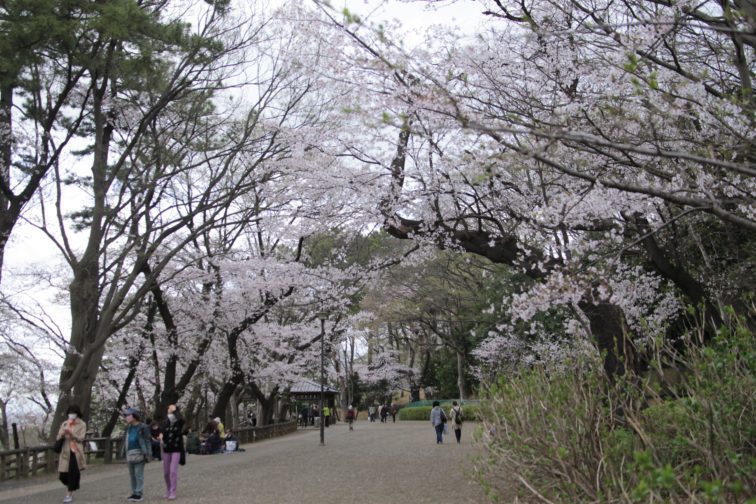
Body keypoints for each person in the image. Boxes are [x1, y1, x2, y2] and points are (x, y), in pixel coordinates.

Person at [56, 404, 87, 504]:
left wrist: (72, 434)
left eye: (73, 413)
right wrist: (63, 433)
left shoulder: (82, 424)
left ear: (77, 414)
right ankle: (72, 485)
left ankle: (69, 494)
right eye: (70, 413)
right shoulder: (65, 423)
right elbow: (58, 437)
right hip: (65, 451)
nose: (71, 415)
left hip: (75, 451)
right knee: (62, 475)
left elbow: (81, 438)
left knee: (72, 473)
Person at [123, 407, 151, 502]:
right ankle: (134, 492)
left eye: (128, 415)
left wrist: (148, 454)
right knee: (132, 475)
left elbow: (147, 440)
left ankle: (139, 493)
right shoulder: (128, 428)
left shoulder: (143, 427)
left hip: (140, 452)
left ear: (134, 416)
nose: (126, 417)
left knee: (138, 474)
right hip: (129, 453)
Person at [160, 404, 184, 500]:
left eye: (171, 408)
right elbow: (161, 430)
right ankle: (168, 489)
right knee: (166, 472)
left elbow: (181, 420)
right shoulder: (165, 422)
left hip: (176, 449)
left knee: (173, 471)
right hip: (166, 449)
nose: (169, 409)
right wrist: (161, 436)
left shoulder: (179, 422)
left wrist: (175, 411)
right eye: (169, 408)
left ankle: (173, 491)